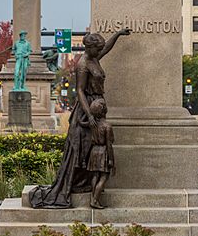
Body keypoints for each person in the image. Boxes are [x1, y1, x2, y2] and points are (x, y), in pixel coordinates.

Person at [29, 28, 130, 208]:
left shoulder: (94, 57)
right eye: (97, 49)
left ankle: (89, 187)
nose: (100, 52)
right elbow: (80, 91)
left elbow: (106, 48)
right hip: (87, 108)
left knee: (91, 146)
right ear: (90, 48)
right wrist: (89, 115)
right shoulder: (83, 64)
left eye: (100, 50)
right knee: (83, 147)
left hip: (97, 105)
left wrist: (118, 34)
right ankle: (80, 185)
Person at [86, 98, 115, 209]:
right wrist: (112, 160)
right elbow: (109, 144)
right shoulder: (107, 126)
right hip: (103, 152)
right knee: (103, 177)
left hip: (94, 151)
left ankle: (93, 197)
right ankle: (95, 200)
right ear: (104, 111)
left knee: (95, 175)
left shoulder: (92, 125)